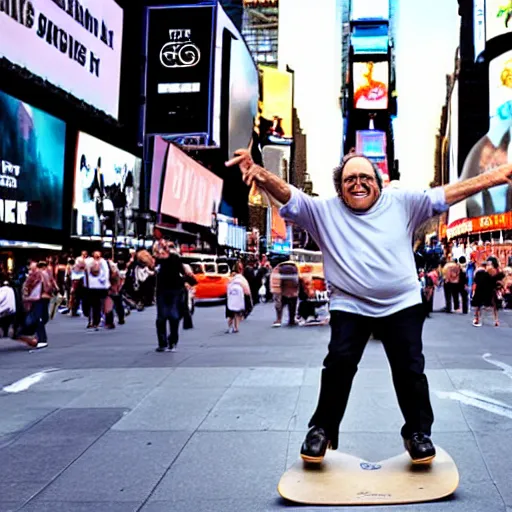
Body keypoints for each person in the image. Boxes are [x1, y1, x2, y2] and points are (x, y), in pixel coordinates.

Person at [226, 146, 512, 465]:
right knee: (338, 364)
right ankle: (322, 430)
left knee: (410, 370)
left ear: (378, 183)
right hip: (350, 304)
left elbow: (447, 194)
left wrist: (494, 176)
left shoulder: (403, 203)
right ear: (339, 187)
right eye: (350, 179)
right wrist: (261, 173)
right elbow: (290, 195)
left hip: (401, 303)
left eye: (365, 178)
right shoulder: (324, 211)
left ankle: (418, 433)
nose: (358, 184)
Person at [154, 243, 196, 352]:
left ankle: (172, 341)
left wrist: (185, 281)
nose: (159, 254)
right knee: (161, 318)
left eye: (161, 251)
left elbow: (182, 272)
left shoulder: (175, 259)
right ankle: (162, 343)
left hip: (175, 291)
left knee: (173, 317)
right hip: (162, 292)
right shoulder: (157, 261)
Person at [226, 262, 251, 334]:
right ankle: (234, 327)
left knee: (234, 313)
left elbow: (228, 285)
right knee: (235, 313)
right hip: (235, 296)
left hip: (232, 296)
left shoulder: (233, 276)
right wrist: (248, 295)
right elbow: (245, 287)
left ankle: (233, 327)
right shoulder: (239, 277)